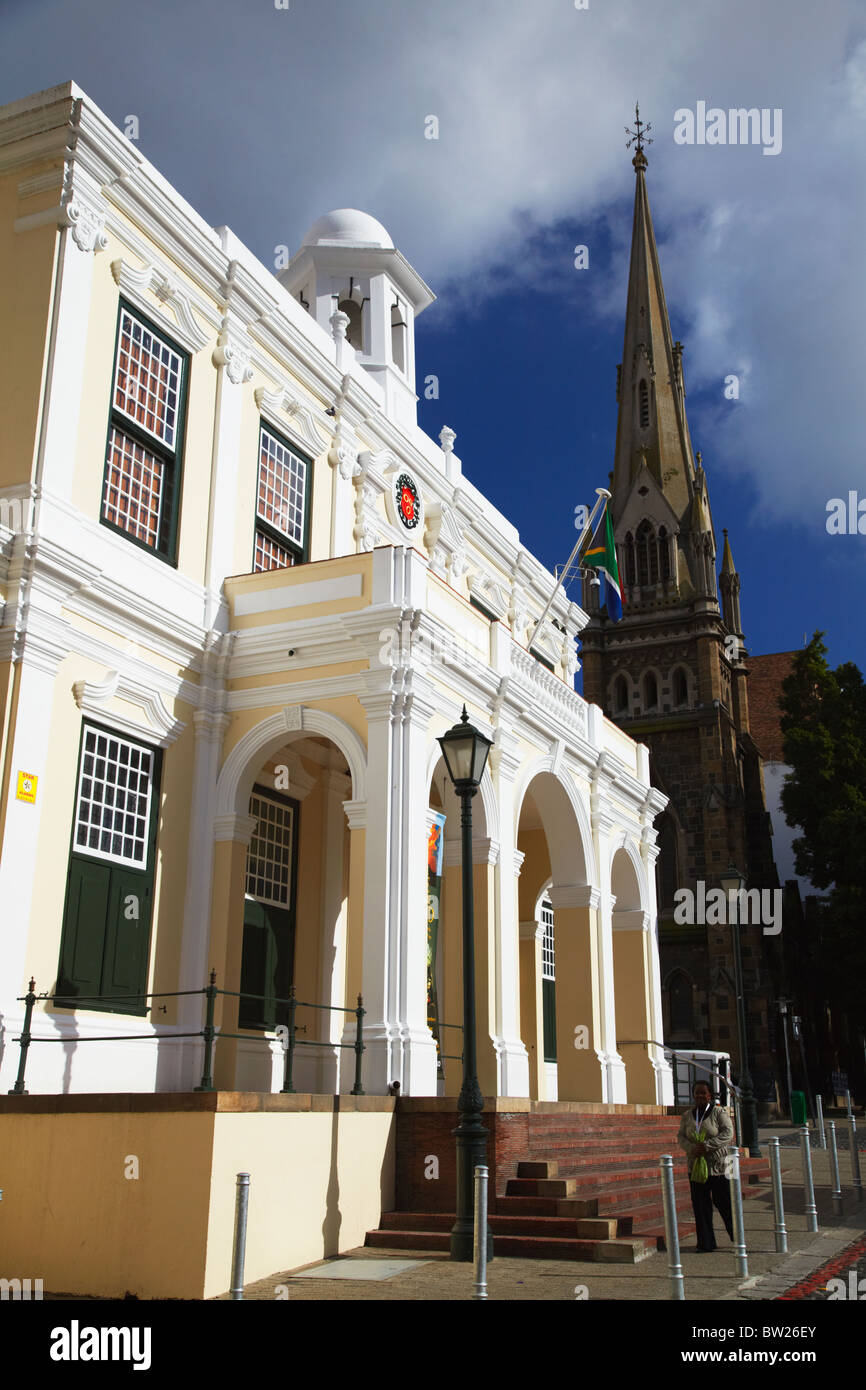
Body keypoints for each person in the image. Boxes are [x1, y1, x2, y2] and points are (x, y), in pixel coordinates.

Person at [677, 1078, 734, 1252]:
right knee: (701, 1206)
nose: (700, 1096)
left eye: (703, 1092)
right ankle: (706, 1243)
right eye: (697, 1093)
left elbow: (728, 1133)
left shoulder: (718, 1113)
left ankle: (737, 1237)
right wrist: (692, 1148)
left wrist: (708, 1146)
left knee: (724, 1203)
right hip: (696, 1167)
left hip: (720, 1166)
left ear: (710, 1095)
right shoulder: (688, 1116)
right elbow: (681, 1136)